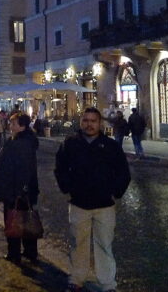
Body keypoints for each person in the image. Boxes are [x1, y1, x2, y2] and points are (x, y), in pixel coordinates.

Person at [54, 107, 131, 292]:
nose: (89, 124)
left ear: (100, 123)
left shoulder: (111, 146)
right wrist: (68, 188)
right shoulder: (70, 143)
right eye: (86, 120)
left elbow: (123, 172)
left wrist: (115, 192)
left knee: (104, 245)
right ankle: (77, 279)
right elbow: (60, 168)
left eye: (93, 121)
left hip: (104, 205)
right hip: (79, 203)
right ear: (81, 122)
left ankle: (107, 283)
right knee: (78, 244)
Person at [0, 113, 40, 265]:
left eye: (13, 124)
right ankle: (30, 252)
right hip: (23, 190)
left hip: (15, 190)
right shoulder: (21, 141)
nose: (10, 126)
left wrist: (17, 190)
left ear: (22, 126)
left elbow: (21, 169)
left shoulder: (20, 144)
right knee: (25, 220)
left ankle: (14, 253)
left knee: (13, 221)